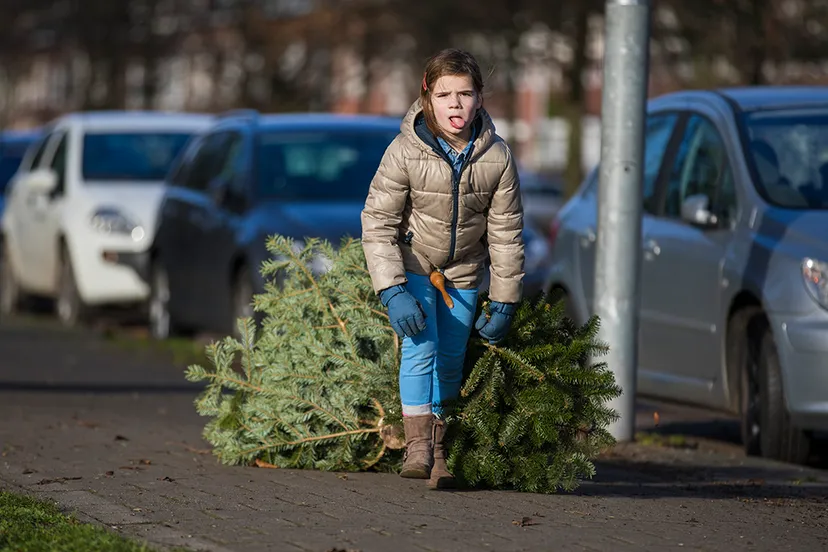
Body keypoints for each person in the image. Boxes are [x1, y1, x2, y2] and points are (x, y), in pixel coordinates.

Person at [361, 48, 525, 488]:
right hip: (416, 264)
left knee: (451, 360)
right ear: (427, 97)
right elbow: (377, 223)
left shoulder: (498, 157)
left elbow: (506, 233)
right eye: (444, 94)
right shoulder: (404, 152)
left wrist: (506, 299)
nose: (455, 104)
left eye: (465, 94)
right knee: (421, 346)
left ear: (480, 98)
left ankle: (440, 450)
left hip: (465, 272)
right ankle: (418, 447)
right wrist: (392, 290)